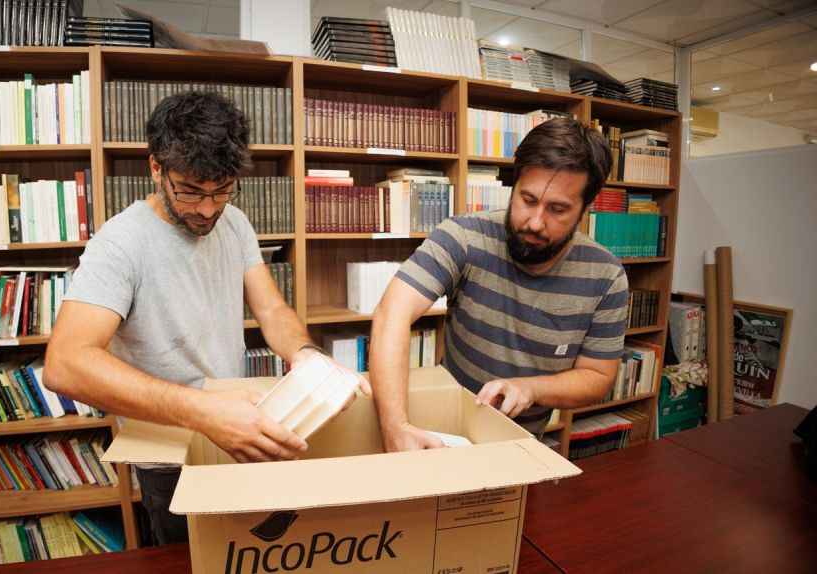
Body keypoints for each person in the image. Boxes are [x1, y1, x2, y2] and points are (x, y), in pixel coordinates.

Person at [44, 91, 359, 544]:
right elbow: (65, 363)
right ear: (156, 168)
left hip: (237, 433)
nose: (208, 209)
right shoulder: (119, 243)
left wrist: (307, 355)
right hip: (171, 456)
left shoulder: (235, 223)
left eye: (222, 190)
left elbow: (270, 308)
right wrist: (205, 413)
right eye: (191, 191)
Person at [370, 117, 628, 451]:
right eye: (528, 199)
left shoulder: (606, 276)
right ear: (514, 185)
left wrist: (532, 388)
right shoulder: (463, 236)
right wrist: (395, 427)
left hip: (522, 447)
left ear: (584, 208)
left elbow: (598, 377)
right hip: (441, 438)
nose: (535, 222)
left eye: (558, 209)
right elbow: (392, 315)